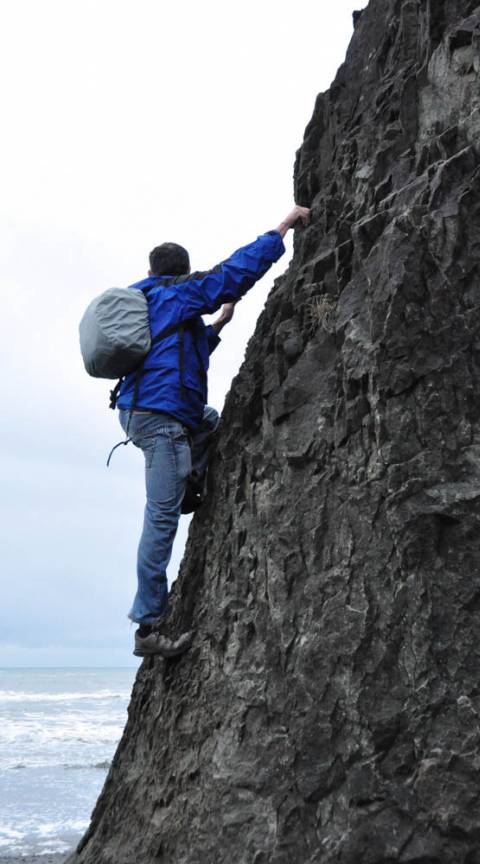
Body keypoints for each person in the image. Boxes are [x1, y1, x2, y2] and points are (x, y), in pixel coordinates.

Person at [116, 205, 311, 658]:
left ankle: (188, 487)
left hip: (156, 410)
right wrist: (280, 228)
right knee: (161, 515)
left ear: (149, 270)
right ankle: (147, 627)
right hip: (159, 417)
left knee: (208, 422)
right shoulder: (175, 294)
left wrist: (217, 326)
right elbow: (232, 273)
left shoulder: (149, 302)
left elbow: (175, 354)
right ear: (183, 273)